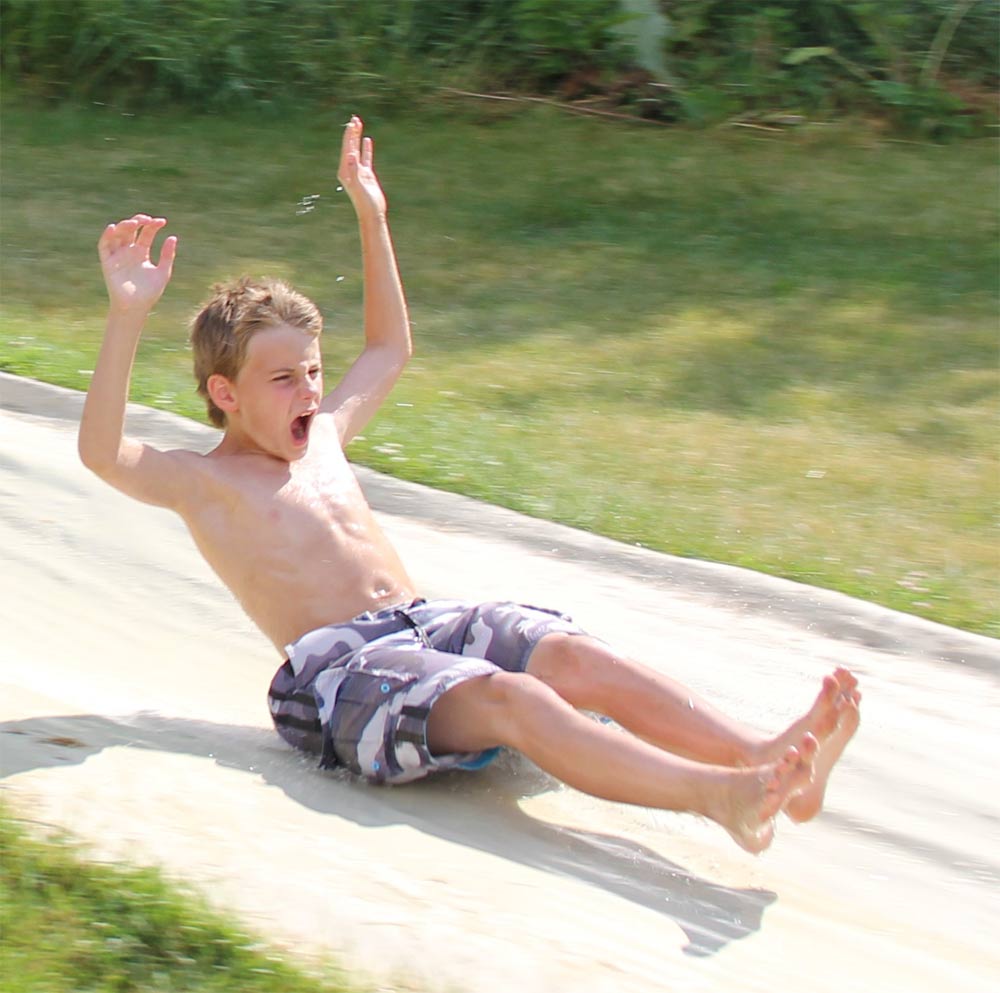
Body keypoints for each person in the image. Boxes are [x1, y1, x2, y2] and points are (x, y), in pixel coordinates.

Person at [79, 116, 860, 855]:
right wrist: (127, 313)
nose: (310, 391)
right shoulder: (206, 482)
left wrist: (372, 215)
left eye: (313, 371)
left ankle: (765, 760)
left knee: (569, 654)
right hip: (345, 675)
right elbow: (104, 452)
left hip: (429, 628)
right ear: (225, 394)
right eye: (283, 378)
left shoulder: (323, 439)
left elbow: (388, 347)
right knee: (513, 699)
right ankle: (719, 796)